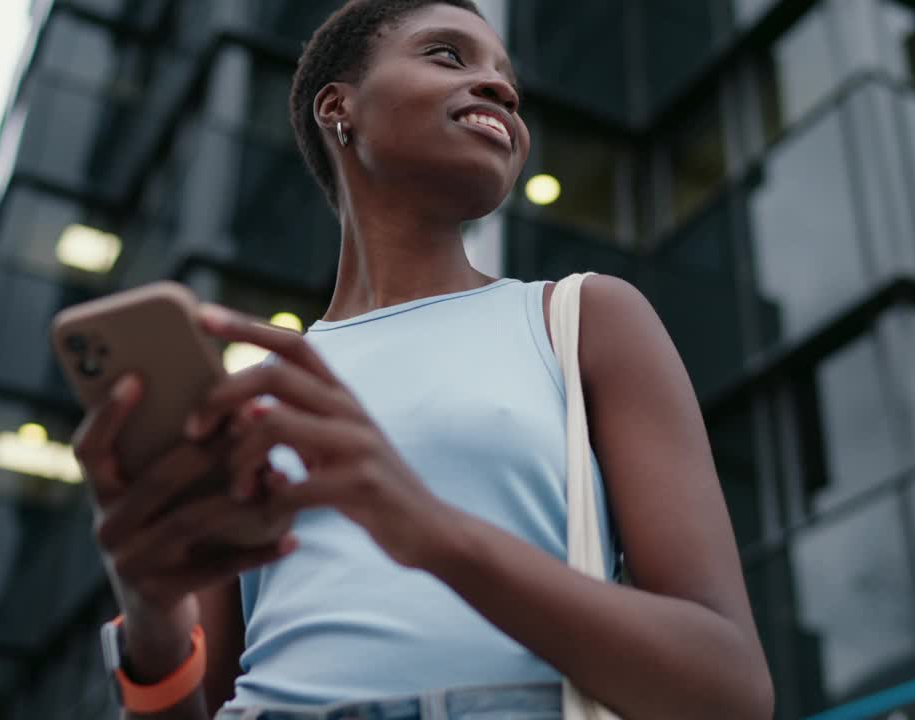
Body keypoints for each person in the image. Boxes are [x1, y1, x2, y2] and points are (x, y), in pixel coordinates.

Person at [71, 1, 774, 718]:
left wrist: (428, 529)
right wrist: (151, 618)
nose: (499, 88)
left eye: (508, 81)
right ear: (339, 108)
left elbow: (729, 690)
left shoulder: (583, 318)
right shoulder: (252, 395)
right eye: (447, 55)